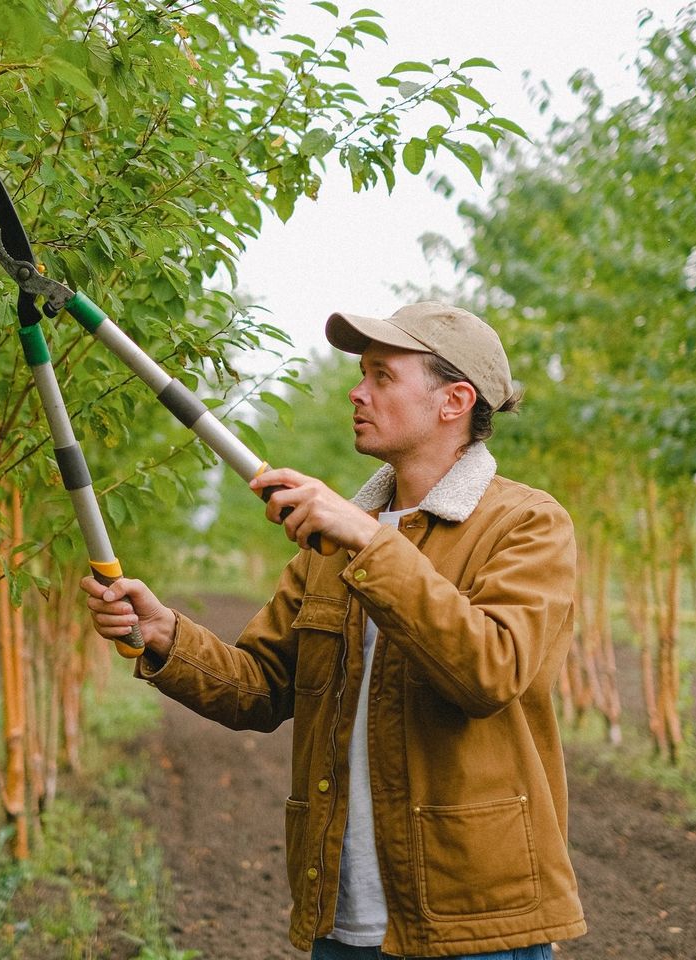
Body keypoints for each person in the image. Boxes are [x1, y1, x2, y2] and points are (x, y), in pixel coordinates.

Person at [81, 301, 587, 959]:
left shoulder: (526, 526)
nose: (357, 391)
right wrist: (165, 635)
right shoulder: (337, 539)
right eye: (361, 374)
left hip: (474, 927)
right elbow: (262, 689)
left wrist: (366, 540)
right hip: (341, 918)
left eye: (381, 376)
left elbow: (488, 672)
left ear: (454, 400)